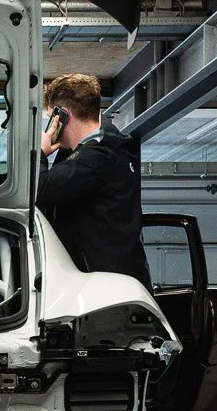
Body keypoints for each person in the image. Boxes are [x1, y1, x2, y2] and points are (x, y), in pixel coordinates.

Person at [35, 73, 152, 288]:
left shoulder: (98, 158)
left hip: (104, 291)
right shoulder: (104, 151)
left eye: (51, 117)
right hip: (110, 285)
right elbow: (46, 200)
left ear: (62, 116)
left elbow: (39, 189)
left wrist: (39, 153)